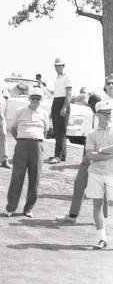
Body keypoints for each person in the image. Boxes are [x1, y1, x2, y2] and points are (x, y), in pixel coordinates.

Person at [56, 92, 102, 224]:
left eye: (95, 105)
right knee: (79, 184)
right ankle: (73, 216)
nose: (93, 108)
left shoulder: (107, 118)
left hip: (100, 159)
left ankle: (100, 219)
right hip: (87, 158)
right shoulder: (91, 117)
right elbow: (88, 140)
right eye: (91, 105)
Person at [5, 87, 49, 218]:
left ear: (41, 100)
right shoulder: (20, 111)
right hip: (22, 145)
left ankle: (29, 208)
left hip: (37, 145)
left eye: (38, 98)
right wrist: (21, 140)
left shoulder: (44, 113)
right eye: (33, 98)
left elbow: (45, 131)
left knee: (35, 178)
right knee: (17, 176)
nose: (35, 100)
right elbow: (12, 129)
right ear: (29, 99)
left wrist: (37, 140)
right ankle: (11, 207)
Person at [84, 100, 113, 249]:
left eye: (110, 112)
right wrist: (109, 154)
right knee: (97, 205)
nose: (109, 115)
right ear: (97, 115)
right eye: (106, 113)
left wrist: (100, 151)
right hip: (95, 173)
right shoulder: (91, 134)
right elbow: (89, 156)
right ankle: (102, 238)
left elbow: (95, 154)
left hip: (111, 174)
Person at [49, 57, 72, 163]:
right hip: (56, 102)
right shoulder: (57, 79)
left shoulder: (67, 77)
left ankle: (57, 156)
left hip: (63, 103)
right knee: (58, 131)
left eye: (60, 65)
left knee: (61, 132)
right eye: (56, 66)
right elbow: (56, 93)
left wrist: (64, 107)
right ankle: (62, 155)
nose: (58, 67)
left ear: (63, 66)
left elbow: (68, 94)